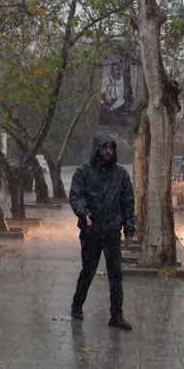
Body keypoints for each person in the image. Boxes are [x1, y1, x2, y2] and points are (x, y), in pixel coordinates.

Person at [69, 130, 136, 330]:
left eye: (111, 148)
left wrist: (129, 227)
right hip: (91, 232)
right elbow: (76, 196)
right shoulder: (84, 172)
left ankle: (116, 315)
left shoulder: (121, 174)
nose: (108, 151)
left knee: (116, 274)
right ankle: (77, 304)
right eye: (104, 147)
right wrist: (83, 212)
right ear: (97, 149)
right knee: (88, 270)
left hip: (112, 232)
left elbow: (127, 202)